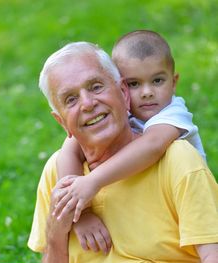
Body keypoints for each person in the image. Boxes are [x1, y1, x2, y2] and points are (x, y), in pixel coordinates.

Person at [28, 41, 218, 263]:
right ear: (61, 121)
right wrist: (59, 228)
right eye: (71, 99)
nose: (88, 103)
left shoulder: (175, 157)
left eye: (96, 86)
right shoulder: (58, 174)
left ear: (122, 92)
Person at [52, 30, 206, 248]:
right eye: (134, 84)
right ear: (121, 87)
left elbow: (151, 146)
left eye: (157, 80)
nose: (146, 92)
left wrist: (92, 182)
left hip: (189, 207)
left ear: (174, 82)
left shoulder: (172, 113)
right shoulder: (122, 111)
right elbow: (70, 148)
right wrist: (80, 210)